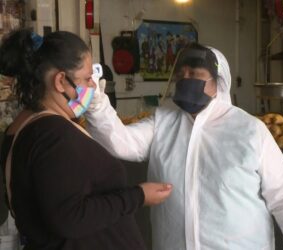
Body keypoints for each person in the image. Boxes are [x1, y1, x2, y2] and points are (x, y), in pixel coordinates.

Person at [85, 43, 283, 250]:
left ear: (218, 82)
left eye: (195, 74)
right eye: (181, 74)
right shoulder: (163, 121)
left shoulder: (249, 130)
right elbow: (119, 142)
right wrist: (96, 104)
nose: (186, 79)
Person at [0, 29, 172, 250]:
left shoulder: (23, 126)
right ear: (61, 81)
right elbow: (70, 218)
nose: (92, 85)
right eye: (87, 77)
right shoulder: (53, 135)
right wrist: (139, 196)